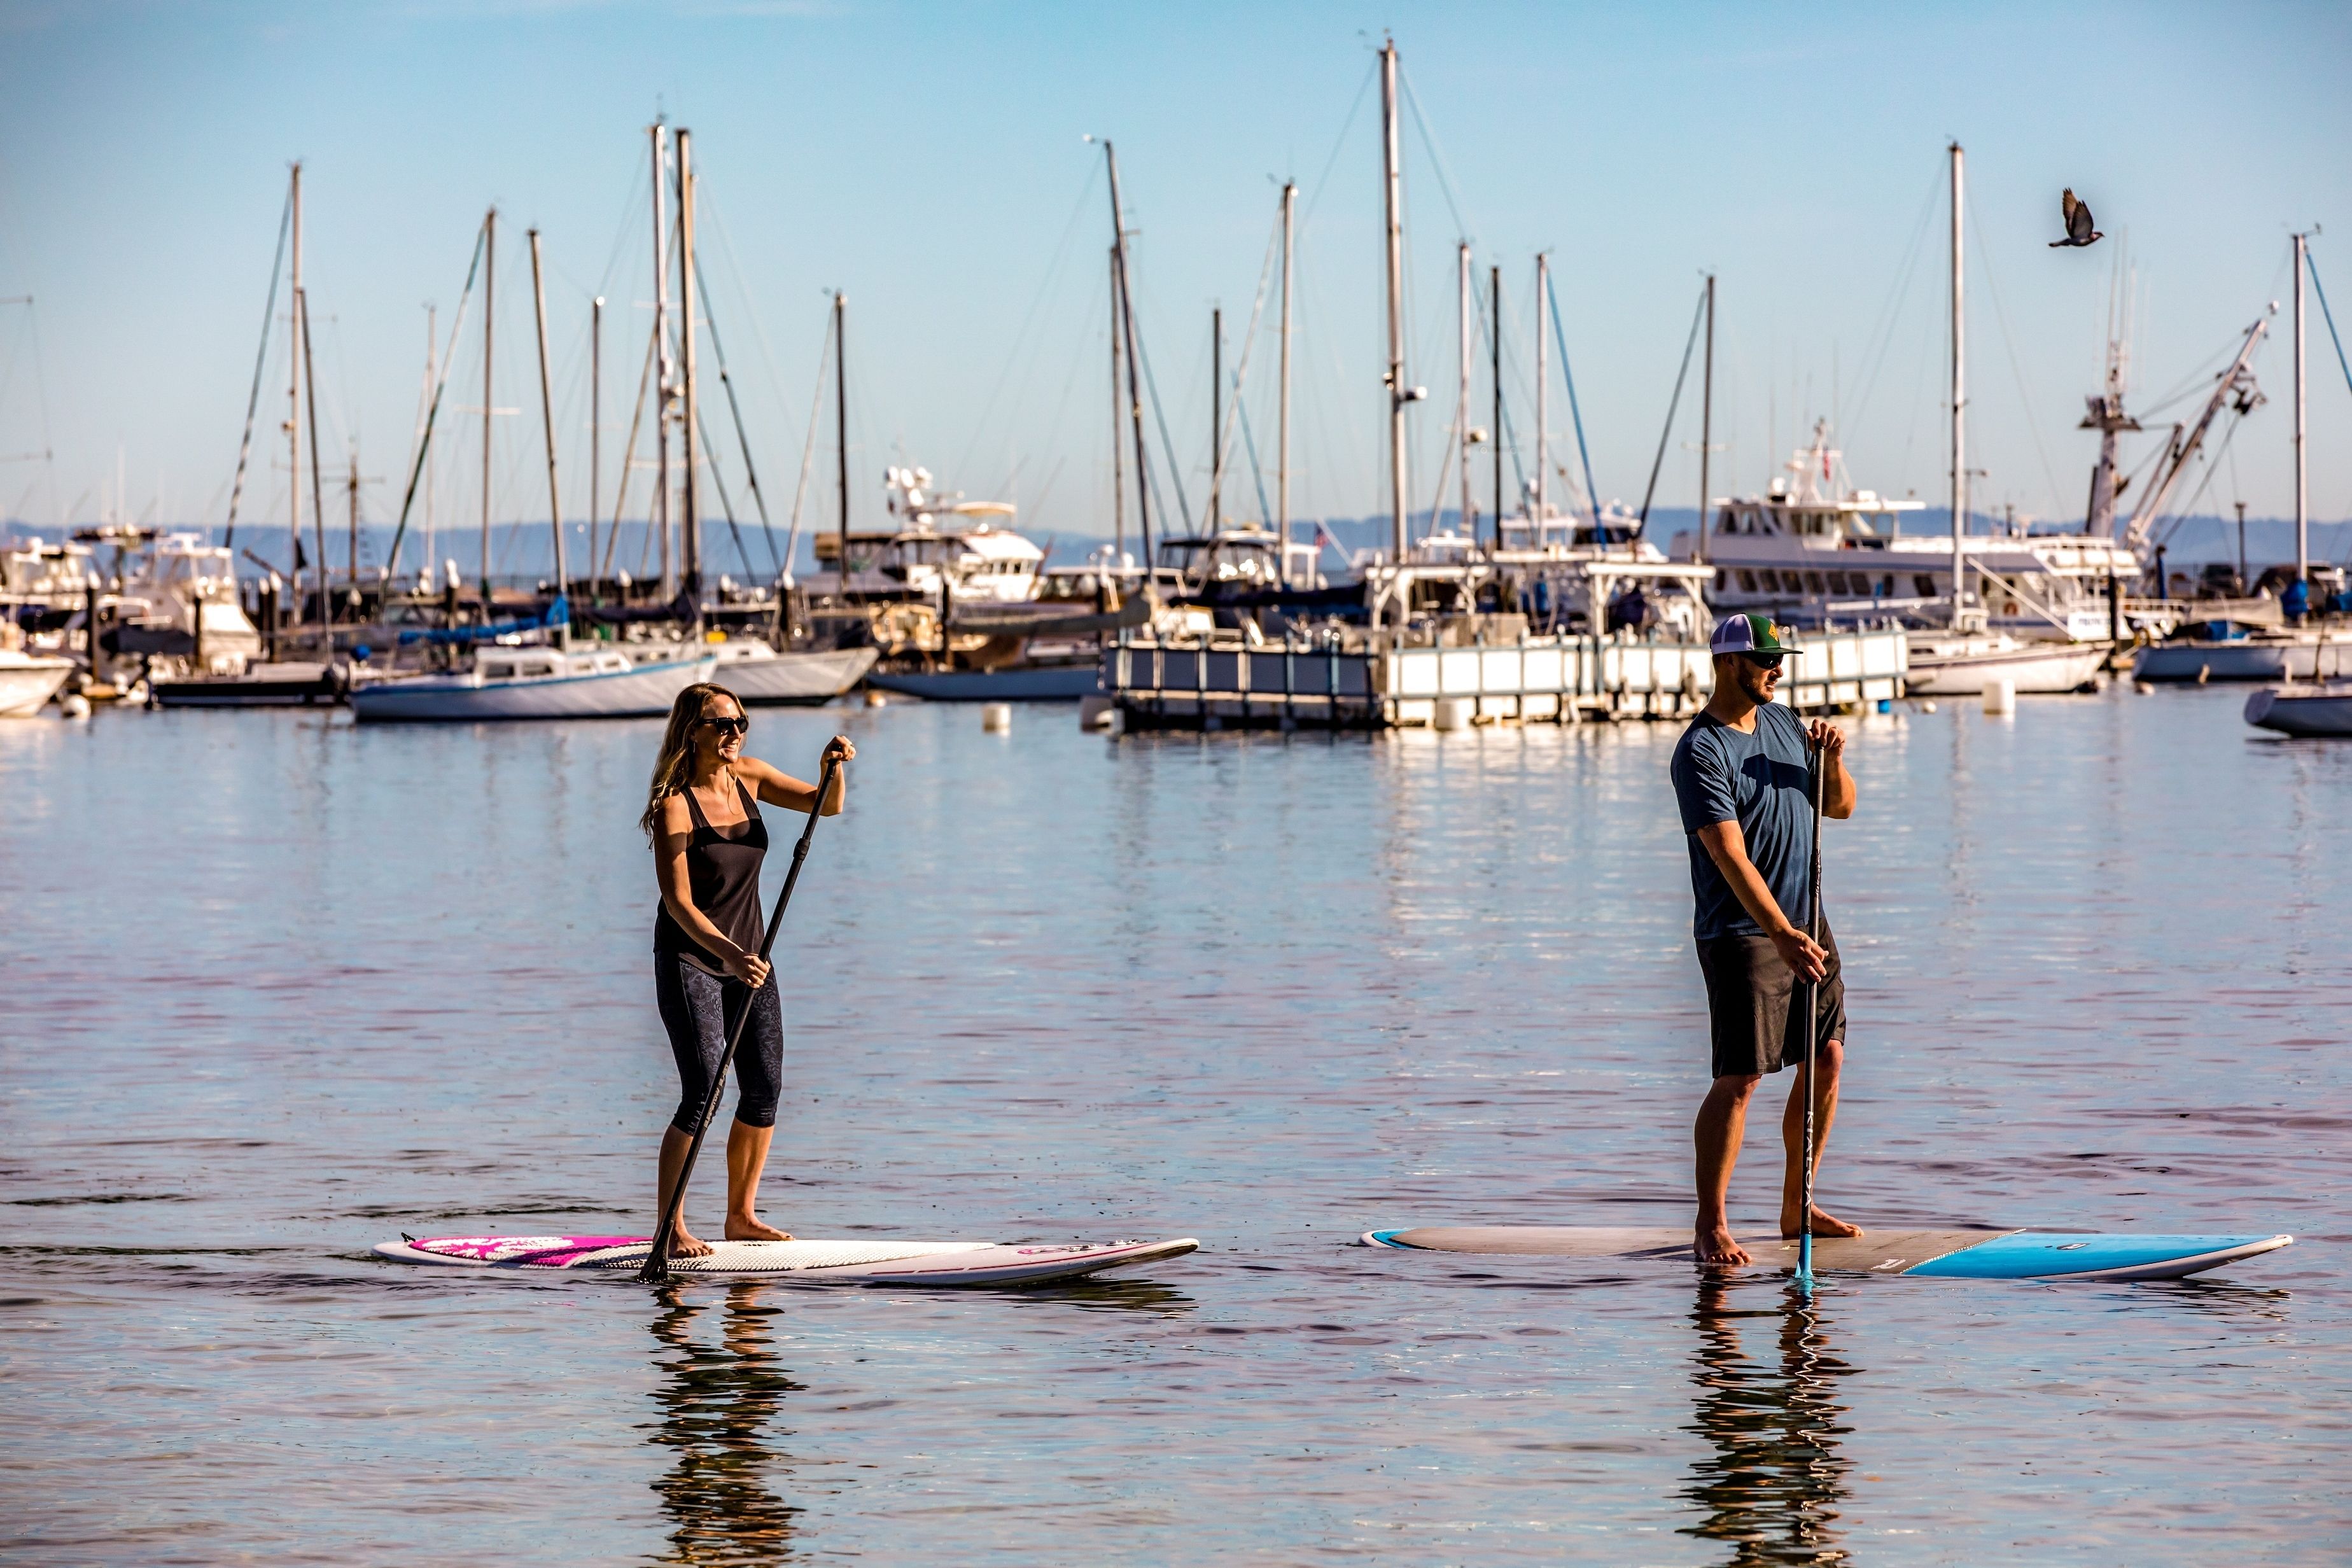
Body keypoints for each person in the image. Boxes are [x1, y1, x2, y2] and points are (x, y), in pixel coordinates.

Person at [1669, 613, 1858, 1268]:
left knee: (1827, 1057)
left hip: (1808, 921)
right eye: (1764, 659)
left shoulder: (1784, 723)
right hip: (1745, 934)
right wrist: (1779, 933)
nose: (1777, 669)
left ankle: (1795, 1204)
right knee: (1742, 1076)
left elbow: (1840, 807)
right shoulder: (1700, 751)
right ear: (1727, 663)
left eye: (1780, 659)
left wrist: (1832, 760)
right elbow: (1728, 854)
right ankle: (1710, 1223)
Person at [641, 682, 852, 1257]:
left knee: (763, 1088)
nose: (735, 733)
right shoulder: (675, 807)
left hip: (752, 958)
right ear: (694, 732)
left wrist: (831, 766)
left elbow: (826, 805)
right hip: (692, 958)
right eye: (722, 724)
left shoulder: (751, 777)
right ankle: (672, 1226)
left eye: (741, 722)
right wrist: (728, 955)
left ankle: (740, 1217)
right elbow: (679, 902)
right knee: (703, 1093)